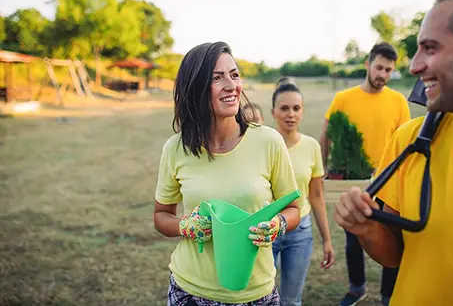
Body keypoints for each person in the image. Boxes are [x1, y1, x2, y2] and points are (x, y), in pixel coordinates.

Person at [333, 0, 453, 306]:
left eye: (431, 48)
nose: (414, 66)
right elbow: (394, 255)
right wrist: (366, 228)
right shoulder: (411, 140)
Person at [153, 41, 301, 306]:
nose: (231, 85)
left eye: (234, 75)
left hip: (257, 294)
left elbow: (293, 209)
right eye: (217, 78)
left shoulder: (269, 141)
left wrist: (277, 224)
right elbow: (161, 216)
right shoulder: (175, 148)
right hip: (191, 292)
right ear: (196, 88)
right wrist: (185, 226)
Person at [319, 42, 411, 306]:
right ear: (368, 65)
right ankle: (357, 289)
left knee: (393, 238)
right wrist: (325, 168)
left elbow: (404, 144)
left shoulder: (397, 101)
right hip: (355, 181)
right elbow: (327, 133)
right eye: (379, 67)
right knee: (354, 239)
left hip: (390, 183)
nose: (382, 74)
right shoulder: (344, 99)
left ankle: (387, 296)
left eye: (388, 70)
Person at [270, 83, 335, 306]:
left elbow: (316, 195)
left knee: (291, 300)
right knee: (259, 298)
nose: (291, 114)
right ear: (273, 112)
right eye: (284, 108)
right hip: (266, 230)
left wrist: (327, 239)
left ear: (302, 111)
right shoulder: (264, 145)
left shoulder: (312, 146)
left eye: (296, 108)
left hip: (300, 232)